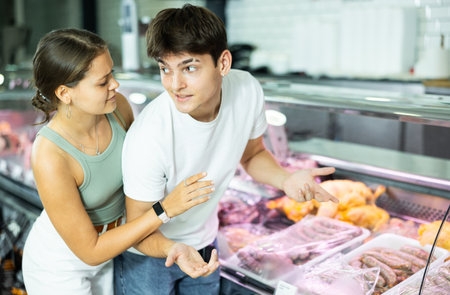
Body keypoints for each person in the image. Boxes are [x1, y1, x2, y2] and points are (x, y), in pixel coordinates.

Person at [115, 4, 339, 295]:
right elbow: (137, 228)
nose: (175, 85)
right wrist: (175, 249)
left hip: (205, 244)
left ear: (223, 63)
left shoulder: (246, 89)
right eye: (165, 69)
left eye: (189, 68)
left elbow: (253, 155)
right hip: (147, 258)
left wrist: (285, 179)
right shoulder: (150, 135)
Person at [22, 28, 218, 295]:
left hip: (114, 250)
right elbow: (90, 251)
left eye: (112, 73)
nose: (115, 85)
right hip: (61, 264)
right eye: (103, 82)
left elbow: (144, 172)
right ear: (65, 93)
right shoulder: (49, 155)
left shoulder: (119, 109)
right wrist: (165, 209)